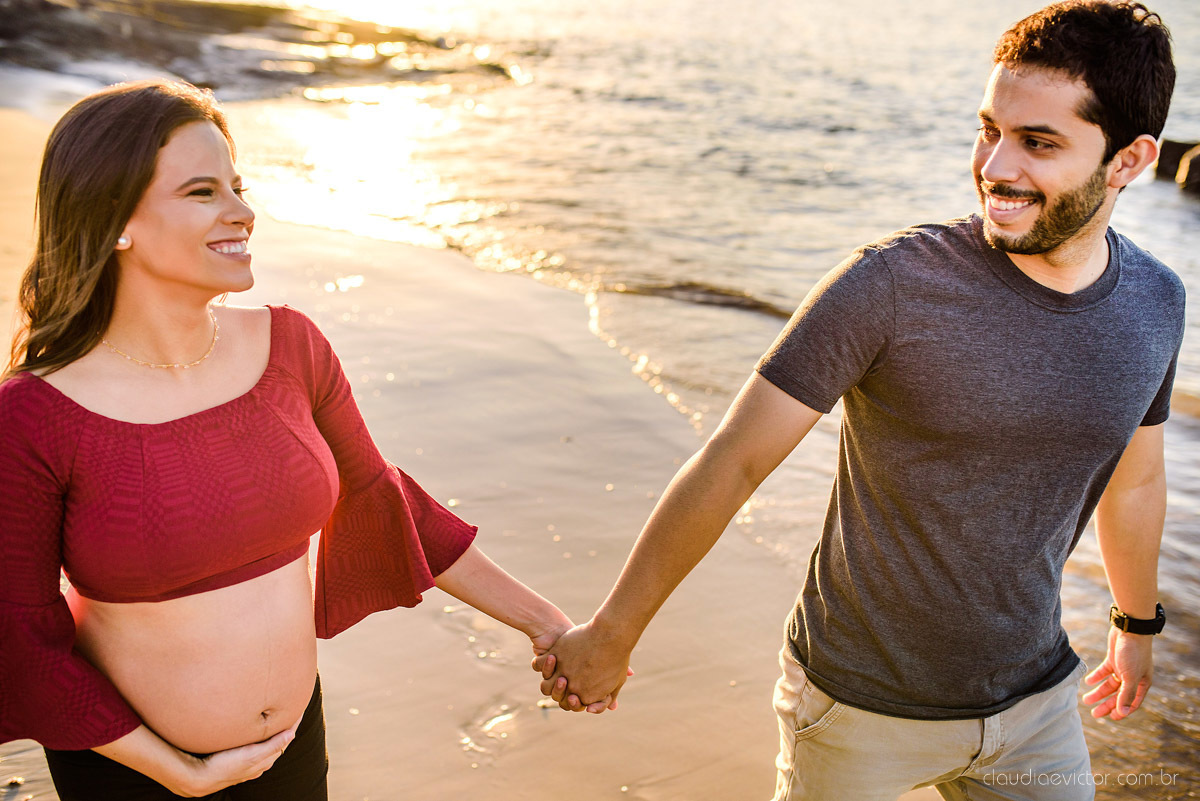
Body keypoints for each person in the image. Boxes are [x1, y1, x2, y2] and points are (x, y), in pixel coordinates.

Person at [533, 2, 1183, 799]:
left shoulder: (1155, 300)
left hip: (1036, 701)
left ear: (1130, 160)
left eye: (1039, 143)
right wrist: (613, 629)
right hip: (854, 709)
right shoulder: (889, 285)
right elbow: (733, 461)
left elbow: (1139, 477)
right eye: (990, 129)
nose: (995, 166)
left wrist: (1134, 624)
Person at [0, 79, 591, 800]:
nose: (242, 212)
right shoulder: (34, 414)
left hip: (292, 750)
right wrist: (178, 771)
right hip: (130, 773)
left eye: (238, 186)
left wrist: (548, 626)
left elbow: (387, 497)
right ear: (113, 218)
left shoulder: (293, 346)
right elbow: (20, 635)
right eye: (201, 192)